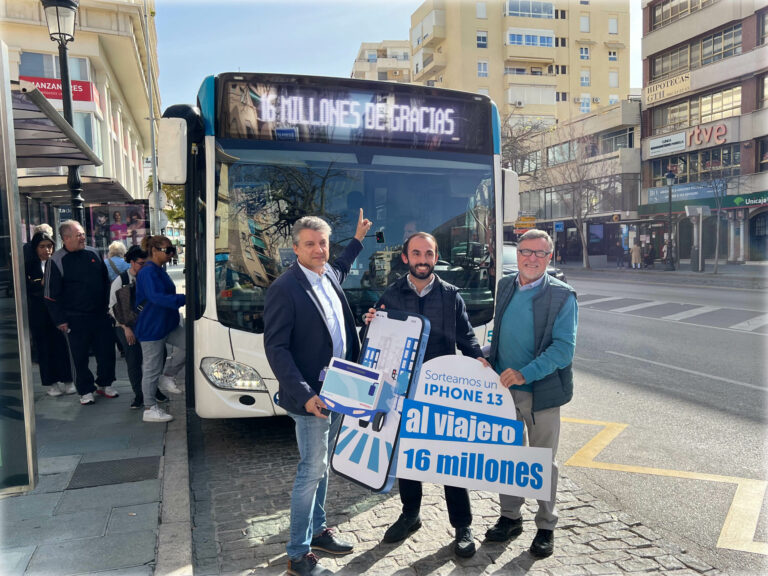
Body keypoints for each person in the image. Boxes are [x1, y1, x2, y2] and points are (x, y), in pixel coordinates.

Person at [264, 210, 371, 576]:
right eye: (310, 244)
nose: (318, 250)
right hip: (313, 398)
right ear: (296, 248)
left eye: (323, 243)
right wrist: (307, 395)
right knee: (311, 471)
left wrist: (357, 237)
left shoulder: (329, 275)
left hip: (341, 389)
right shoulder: (285, 288)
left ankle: (318, 530)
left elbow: (342, 262)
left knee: (323, 466)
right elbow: (276, 349)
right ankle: (297, 555)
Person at [370, 232, 485, 558]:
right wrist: (370, 325)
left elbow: (466, 338)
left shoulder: (450, 296)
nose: (423, 259)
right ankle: (410, 515)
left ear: (436, 257)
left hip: (442, 392)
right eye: (417, 253)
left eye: (429, 253)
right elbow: (377, 340)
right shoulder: (391, 294)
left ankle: (462, 526)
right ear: (405, 257)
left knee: (450, 460)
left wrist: (481, 362)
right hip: (403, 393)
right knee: (407, 459)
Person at [484, 229, 577, 559]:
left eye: (540, 253)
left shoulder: (563, 296)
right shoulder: (506, 285)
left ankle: (546, 525)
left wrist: (525, 372)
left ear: (550, 258)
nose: (532, 258)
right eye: (526, 251)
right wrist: (487, 355)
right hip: (503, 392)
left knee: (541, 462)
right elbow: (500, 333)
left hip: (542, 393)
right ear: (517, 253)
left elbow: (563, 350)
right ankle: (510, 518)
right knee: (508, 459)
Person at [44, 220, 118, 405]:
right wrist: (59, 320)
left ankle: (105, 384)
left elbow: (106, 281)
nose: (83, 237)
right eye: (79, 235)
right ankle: (85, 390)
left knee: (106, 352)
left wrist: (109, 308)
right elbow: (50, 295)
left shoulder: (93, 253)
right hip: (74, 319)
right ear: (66, 238)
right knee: (79, 357)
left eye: (83, 234)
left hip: (100, 315)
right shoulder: (56, 261)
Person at [109, 245, 168, 409]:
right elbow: (112, 307)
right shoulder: (121, 280)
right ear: (132, 263)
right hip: (127, 325)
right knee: (134, 359)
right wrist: (125, 327)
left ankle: (154, 390)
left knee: (158, 356)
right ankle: (139, 395)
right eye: (141, 263)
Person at [135, 235, 186, 423]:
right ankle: (149, 407)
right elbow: (157, 297)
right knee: (151, 368)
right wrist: (183, 299)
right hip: (151, 327)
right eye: (167, 250)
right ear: (154, 250)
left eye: (172, 249)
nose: (171, 253)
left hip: (165, 324)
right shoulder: (148, 272)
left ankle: (168, 375)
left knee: (192, 344)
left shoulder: (157, 269)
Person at [25, 231, 74, 397]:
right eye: (42, 246)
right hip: (39, 314)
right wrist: (41, 285)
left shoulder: (59, 262)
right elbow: (26, 288)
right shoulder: (29, 266)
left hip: (57, 313)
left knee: (61, 346)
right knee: (44, 349)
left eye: (49, 246)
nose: (46, 250)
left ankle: (68, 380)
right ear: (35, 248)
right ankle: (51, 383)